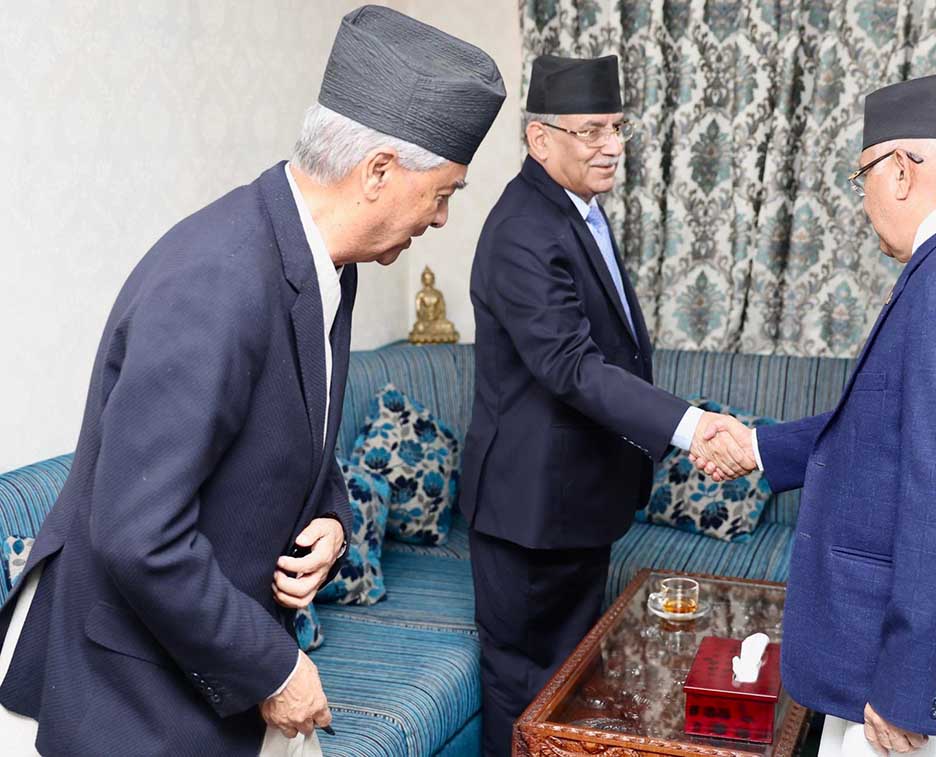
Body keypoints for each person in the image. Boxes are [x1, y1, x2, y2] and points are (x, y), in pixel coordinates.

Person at [0, 6, 505, 756]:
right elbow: (138, 535)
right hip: (128, 689)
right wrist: (273, 667)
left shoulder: (325, 261)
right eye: (443, 192)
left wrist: (332, 517)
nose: (439, 219)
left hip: (212, 658)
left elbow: (294, 429)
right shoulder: (217, 281)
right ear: (378, 172)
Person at [693, 68, 936, 756]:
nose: (863, 200)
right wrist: (757, 446)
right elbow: (899, 426)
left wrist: (910, 684)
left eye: (861, 176)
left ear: (900, 170)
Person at [460, 53, 753, 755]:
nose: (612, 145)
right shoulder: (524, 229)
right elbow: (570, 365)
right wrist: (690, 426)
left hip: (574, 504)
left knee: (566, 685)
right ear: (540, 139)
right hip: (531, 515)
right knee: (527, 691)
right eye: (590, 130)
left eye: (617, 127)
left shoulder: (574, 209)